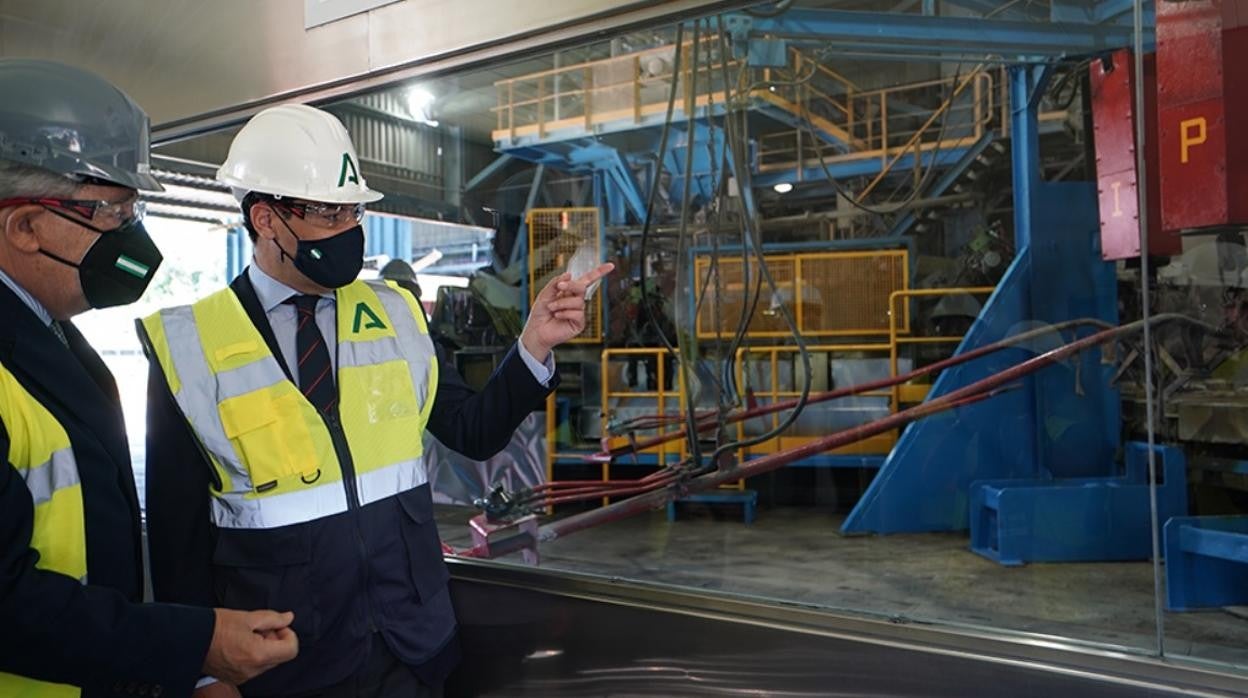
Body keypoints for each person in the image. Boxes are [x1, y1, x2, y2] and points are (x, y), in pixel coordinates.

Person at [140, 103, 612, 698]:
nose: (349, 231)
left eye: (353, 211)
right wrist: (205, 672)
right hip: (284, 662)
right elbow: (176, 537)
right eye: (327, 213)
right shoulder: (190, 346)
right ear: (265, 218)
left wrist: (533, 344)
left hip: (411, 647)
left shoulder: (394, 314)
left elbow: (473, 431)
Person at [0, 59, 298, 697]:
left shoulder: (50, 329)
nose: (132, 238)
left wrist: (186, 669)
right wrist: (195, 644)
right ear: (23, 227)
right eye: (111, 214)